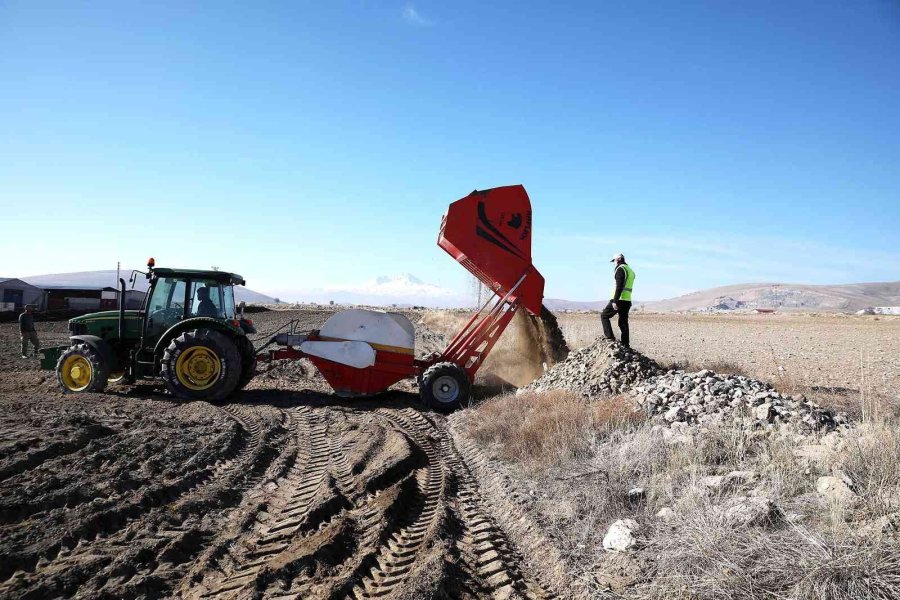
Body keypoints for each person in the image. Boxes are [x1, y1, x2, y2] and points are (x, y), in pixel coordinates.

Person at [600, 253, 635, 347]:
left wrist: (615, 301)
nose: (614, 263)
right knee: (623, 322)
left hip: (619, 299)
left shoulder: (620, 269)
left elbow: (619, 286)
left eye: (614, 261)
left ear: (619, 259)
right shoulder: (630, 270)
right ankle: (626, 345)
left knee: (604, 316)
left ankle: (610, 337)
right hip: (627, 300)